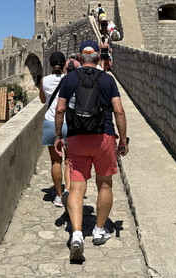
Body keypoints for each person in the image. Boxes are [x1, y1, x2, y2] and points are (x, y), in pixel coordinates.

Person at [54, 40, 129, 262]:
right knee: (104, 184)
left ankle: (76, 235)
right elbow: (119, 111)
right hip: (103, 135)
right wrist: (122, 139)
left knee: (77, 188)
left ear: (79, 56)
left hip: (77, 137)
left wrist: (59, 136)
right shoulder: (108, 79)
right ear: (98, 57)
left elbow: (60, 109)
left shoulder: (69, 79)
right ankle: (98, 230)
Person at [39, 51, 70, 207]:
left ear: (50, 64)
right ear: (64, 64)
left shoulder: (44, 80)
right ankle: (69, 193)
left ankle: (58, 196)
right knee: (69, 161)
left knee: (55, 162)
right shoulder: (70, 79)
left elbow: (43, 99)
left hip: (51, 123)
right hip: (68, 123)